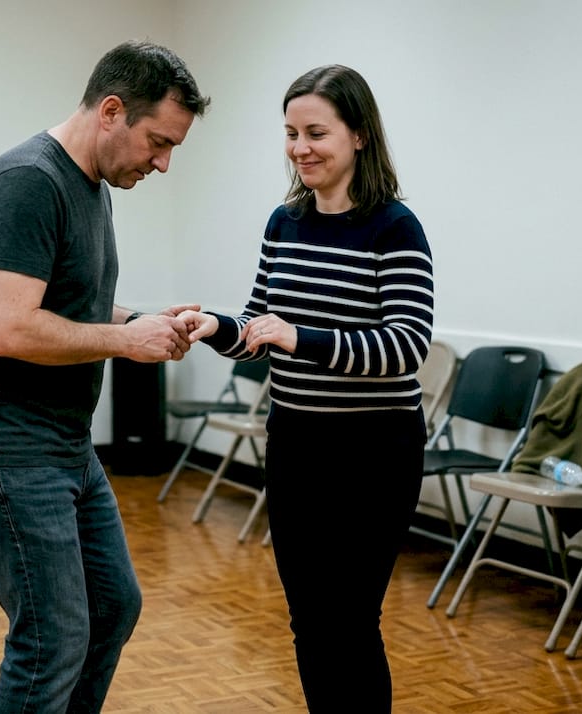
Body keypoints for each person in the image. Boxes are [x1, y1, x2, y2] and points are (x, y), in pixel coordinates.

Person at [0, 41, 209, 712]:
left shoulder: (90, 185)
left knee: (112, 608)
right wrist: (124, 340)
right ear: (112, 111)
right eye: (159, 142)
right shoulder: (30, 180)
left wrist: (144, 321)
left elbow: (65, 301)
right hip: (0, 449)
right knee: (51, 639)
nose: (164, 163)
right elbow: (10, 327)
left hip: (59, 445)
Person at [178, 65, 434, 711]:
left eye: (316, 132)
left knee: (350, 622)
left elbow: (406, 346)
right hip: (296, 444)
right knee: (310, 621)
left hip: (373, 452)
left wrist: (302, 337)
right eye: (291, 133)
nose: (300, 148)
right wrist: (214, 326)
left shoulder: (394, 227)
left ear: (360, 136)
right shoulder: (284, 222)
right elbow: (261, 328)